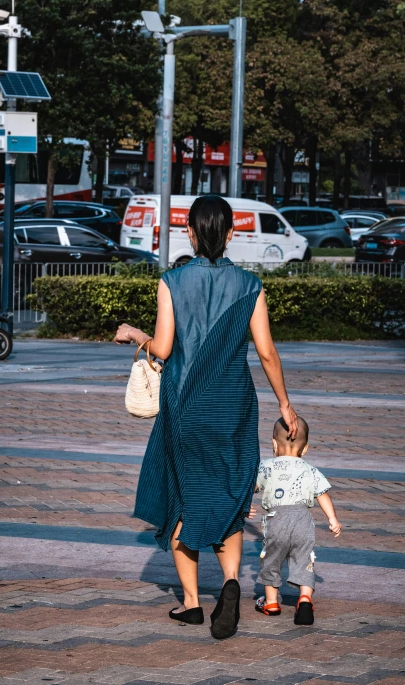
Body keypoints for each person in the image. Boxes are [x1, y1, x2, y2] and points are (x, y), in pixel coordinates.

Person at [114, 195, 298, 640]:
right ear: (232, 234)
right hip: (233, 406)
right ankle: (232, 582)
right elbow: (267, 353)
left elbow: (162, 348)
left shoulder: (172, 281)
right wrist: (286, 405)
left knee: (182, 496)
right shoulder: (251, 286)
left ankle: (193, 604)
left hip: (186, 408)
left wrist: (133, 333)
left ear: (192, 234)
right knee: (230, 500)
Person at [254, 416, 341, 625]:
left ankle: (271, 602)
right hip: (303, 520)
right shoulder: (311, 470)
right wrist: (332, 519)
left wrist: (243, 507)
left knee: (272, 560)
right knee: (304, 561)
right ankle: (304, 598)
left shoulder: (266, 467)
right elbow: (322, 495)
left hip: (277, 520)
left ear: (274, 444)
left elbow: (251, 487)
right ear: (306, 448)